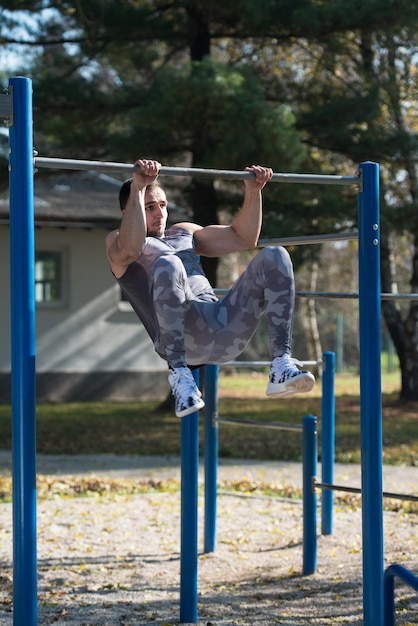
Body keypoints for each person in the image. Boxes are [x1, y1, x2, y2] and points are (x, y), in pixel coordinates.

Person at [106, 158, 315, 417]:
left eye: (162, 205)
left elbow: (243, 238)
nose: (160, 214)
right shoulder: (118, 243)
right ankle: (181, 377)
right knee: (167, 263)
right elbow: (131, 247)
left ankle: (280, 364)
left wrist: (253, 192)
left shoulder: (184, 232)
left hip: (226, 330)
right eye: (149, 207)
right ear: (129, 211)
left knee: (275, 256)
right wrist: (137, 187)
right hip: (182, 340)